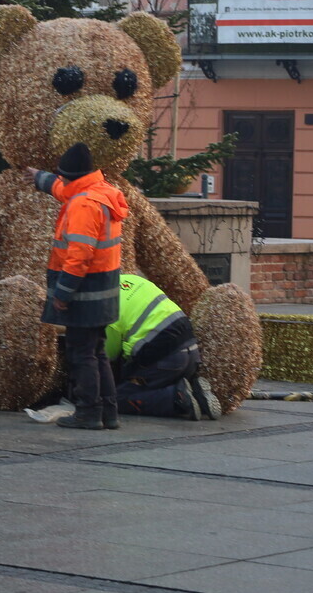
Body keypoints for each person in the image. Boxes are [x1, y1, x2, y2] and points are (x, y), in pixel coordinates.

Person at [29, 143, 129, 430]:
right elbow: (64, 189)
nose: (60, 182)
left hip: (84, 294)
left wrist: (62, 293)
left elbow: (79, 255)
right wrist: (40, 178)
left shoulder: (83, 204)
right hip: (103, 292)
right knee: (96, 351)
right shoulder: (102, 191)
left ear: (71, 177)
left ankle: (87, 412)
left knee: (81, 353)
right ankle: (108, 412)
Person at [108, 273, 220, 421]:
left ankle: (177, 398)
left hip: (165, 361)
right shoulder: (133, 279)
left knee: (116, 398)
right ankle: (195, 392)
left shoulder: (104, 307)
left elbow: (108, 356)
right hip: (191, 349)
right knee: (153, 383)